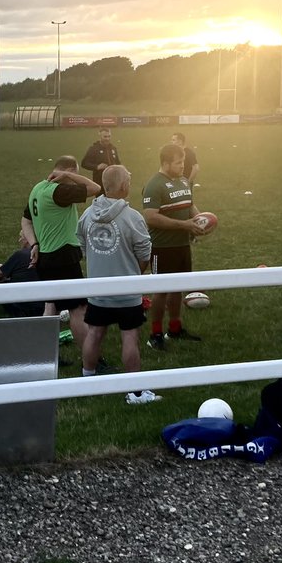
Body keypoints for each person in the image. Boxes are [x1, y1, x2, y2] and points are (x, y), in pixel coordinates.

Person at [76, 165, 156, 403]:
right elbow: (145, 254)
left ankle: (87, 382)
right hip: (126, 291)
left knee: (95, 332)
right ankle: (135, 392)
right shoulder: (132, 217)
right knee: (129, 336)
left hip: (97, 290)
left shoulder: (87, 215)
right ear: (123, 186)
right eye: (128, 181)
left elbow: (82, 246)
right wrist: (133, 273)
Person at [20, 156, 102, 354]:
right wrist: (67, 175)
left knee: (51, 306)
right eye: (75, 174)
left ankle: (44, 354)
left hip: (45, 258)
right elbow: (95, 188)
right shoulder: (60, 191)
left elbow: (25, 221)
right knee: (78, 309)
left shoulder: (38, 188)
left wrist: (34, 244)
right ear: (69, 170)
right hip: (63, 256)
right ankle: (90, 360)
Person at [142, 143, 208, 350]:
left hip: (182, 246)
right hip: (162, 248)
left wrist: (200, 219)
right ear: (165, 163)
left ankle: (175, 328)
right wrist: (184, 225)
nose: (182, 166)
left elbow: (189, 206)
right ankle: (155, 334)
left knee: (178, 287)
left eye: (183, 162)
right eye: (178, 163)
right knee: (161, 291)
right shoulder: (154, 185)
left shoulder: (183, 181)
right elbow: (151, 217)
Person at [0, 233, 44, 317]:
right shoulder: (45, 256)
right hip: (44, 305)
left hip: (21, 307)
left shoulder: (20, 255)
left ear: (27, 240)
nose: (19, 240)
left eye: (20, 237)